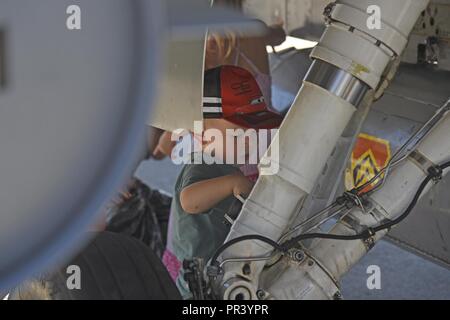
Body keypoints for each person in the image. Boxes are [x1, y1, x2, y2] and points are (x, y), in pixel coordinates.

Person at [162, 65, 283, 298]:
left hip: (219, 271)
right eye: (239, 133)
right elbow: (189, 200)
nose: (249, 141)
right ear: (204, 132)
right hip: (197, 281)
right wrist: (231, 183)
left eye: (253, 131)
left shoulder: (228, 162)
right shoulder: (203, 162)